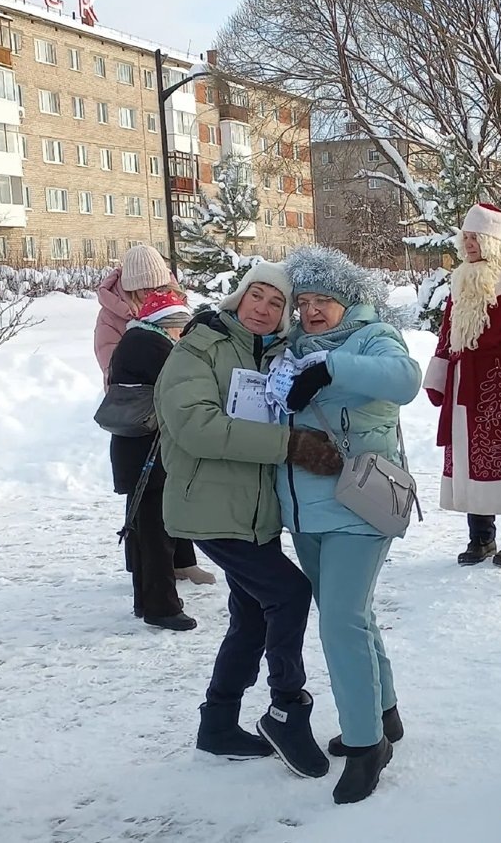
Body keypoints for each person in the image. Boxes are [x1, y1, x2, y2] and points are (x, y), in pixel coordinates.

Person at [154, 262, 325, 778]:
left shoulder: (275, 355)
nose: (264, 308)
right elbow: (196, 426)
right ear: (239, 297)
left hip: (254, 512)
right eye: (257, 295)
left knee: (251, 615)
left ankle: (218, 723)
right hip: (209, 506)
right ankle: (286, 708)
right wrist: (289, 445)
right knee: (289, 593)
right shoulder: (198, 347)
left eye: (277, 303)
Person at [274, 246, 422, 805]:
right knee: (355, 615)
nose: (312, 311)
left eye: (324, 301)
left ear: (348, 301)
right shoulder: (288, 348)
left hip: (360, 506)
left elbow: (405, 379)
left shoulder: (372, 337)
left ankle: (367, 746)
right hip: (304, 509)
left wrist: (331, 367)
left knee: (339, 622)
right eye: (304, 301)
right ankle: (385, 712)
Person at [423, 203, 501, 568]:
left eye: (475, 236)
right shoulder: (462, 276)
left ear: (492, 239)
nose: (468, 242)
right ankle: (481, 537)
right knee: (468, 461)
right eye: (465, 236)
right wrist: (440, 374)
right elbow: (449, 331)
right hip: (465, 387)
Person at [94, 243, 214, 586]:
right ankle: (145, 570)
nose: (152, 294)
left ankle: (181, 560)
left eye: (159, 287)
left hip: (170, 414)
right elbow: (113, 366)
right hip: (139, 415)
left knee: (172, 489)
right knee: (145, 497)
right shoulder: (112, 318)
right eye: (145, 289)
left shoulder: (171, 305)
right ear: (130, 288)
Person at [107, 289, 197, 631]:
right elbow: (181, 383)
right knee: (156, 531)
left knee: (145, 529)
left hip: (137, 448)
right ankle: (162, 606)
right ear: (168, 323)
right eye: (181, 327)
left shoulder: (137, 339)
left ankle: (147, 602)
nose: (182, 334)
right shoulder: (152, 345)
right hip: (149, 452)